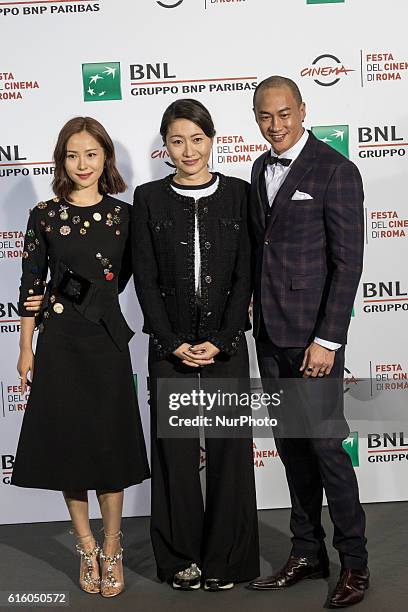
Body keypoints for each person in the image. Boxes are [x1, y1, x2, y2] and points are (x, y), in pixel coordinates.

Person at [12, 116, 150, 598]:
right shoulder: (44, 215)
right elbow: (31, 286)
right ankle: (86, 546)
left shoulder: (124, 215)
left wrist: (100, 309)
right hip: (59, 346)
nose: (82, 163)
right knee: (70, 451)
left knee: (109, 450)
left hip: (105, 345)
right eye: (73, 155)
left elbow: (131, 277)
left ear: (105, 157)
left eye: (91, 154)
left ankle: (112, 547)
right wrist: (25, 346)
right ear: (61, 160)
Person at [246, 76, 369, 608]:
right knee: (292, 448)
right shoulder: (257, 168)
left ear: (302, 109)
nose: (275, 126)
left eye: (283, 114)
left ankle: (356, 564)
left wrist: (328, 340)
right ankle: (306, 552)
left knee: (325, 448)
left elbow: (348, 263)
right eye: (265, 117)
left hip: (314, 339)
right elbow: (263, 245)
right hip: (270, 333)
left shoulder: (337, 169)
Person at [132, 98, 259, 592]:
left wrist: (224, 338)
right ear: (165, 146)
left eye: (198, 139)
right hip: (170, 347)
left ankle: (227, 557)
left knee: (229, 452)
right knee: (176, 456)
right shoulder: (148, 198)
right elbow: (144, 277)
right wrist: (170, 341)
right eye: (178, 140)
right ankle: (180, 557)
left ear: (213, 141)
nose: (189, 150)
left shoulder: (240, 194)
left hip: (225, 343)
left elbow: (246, 273)